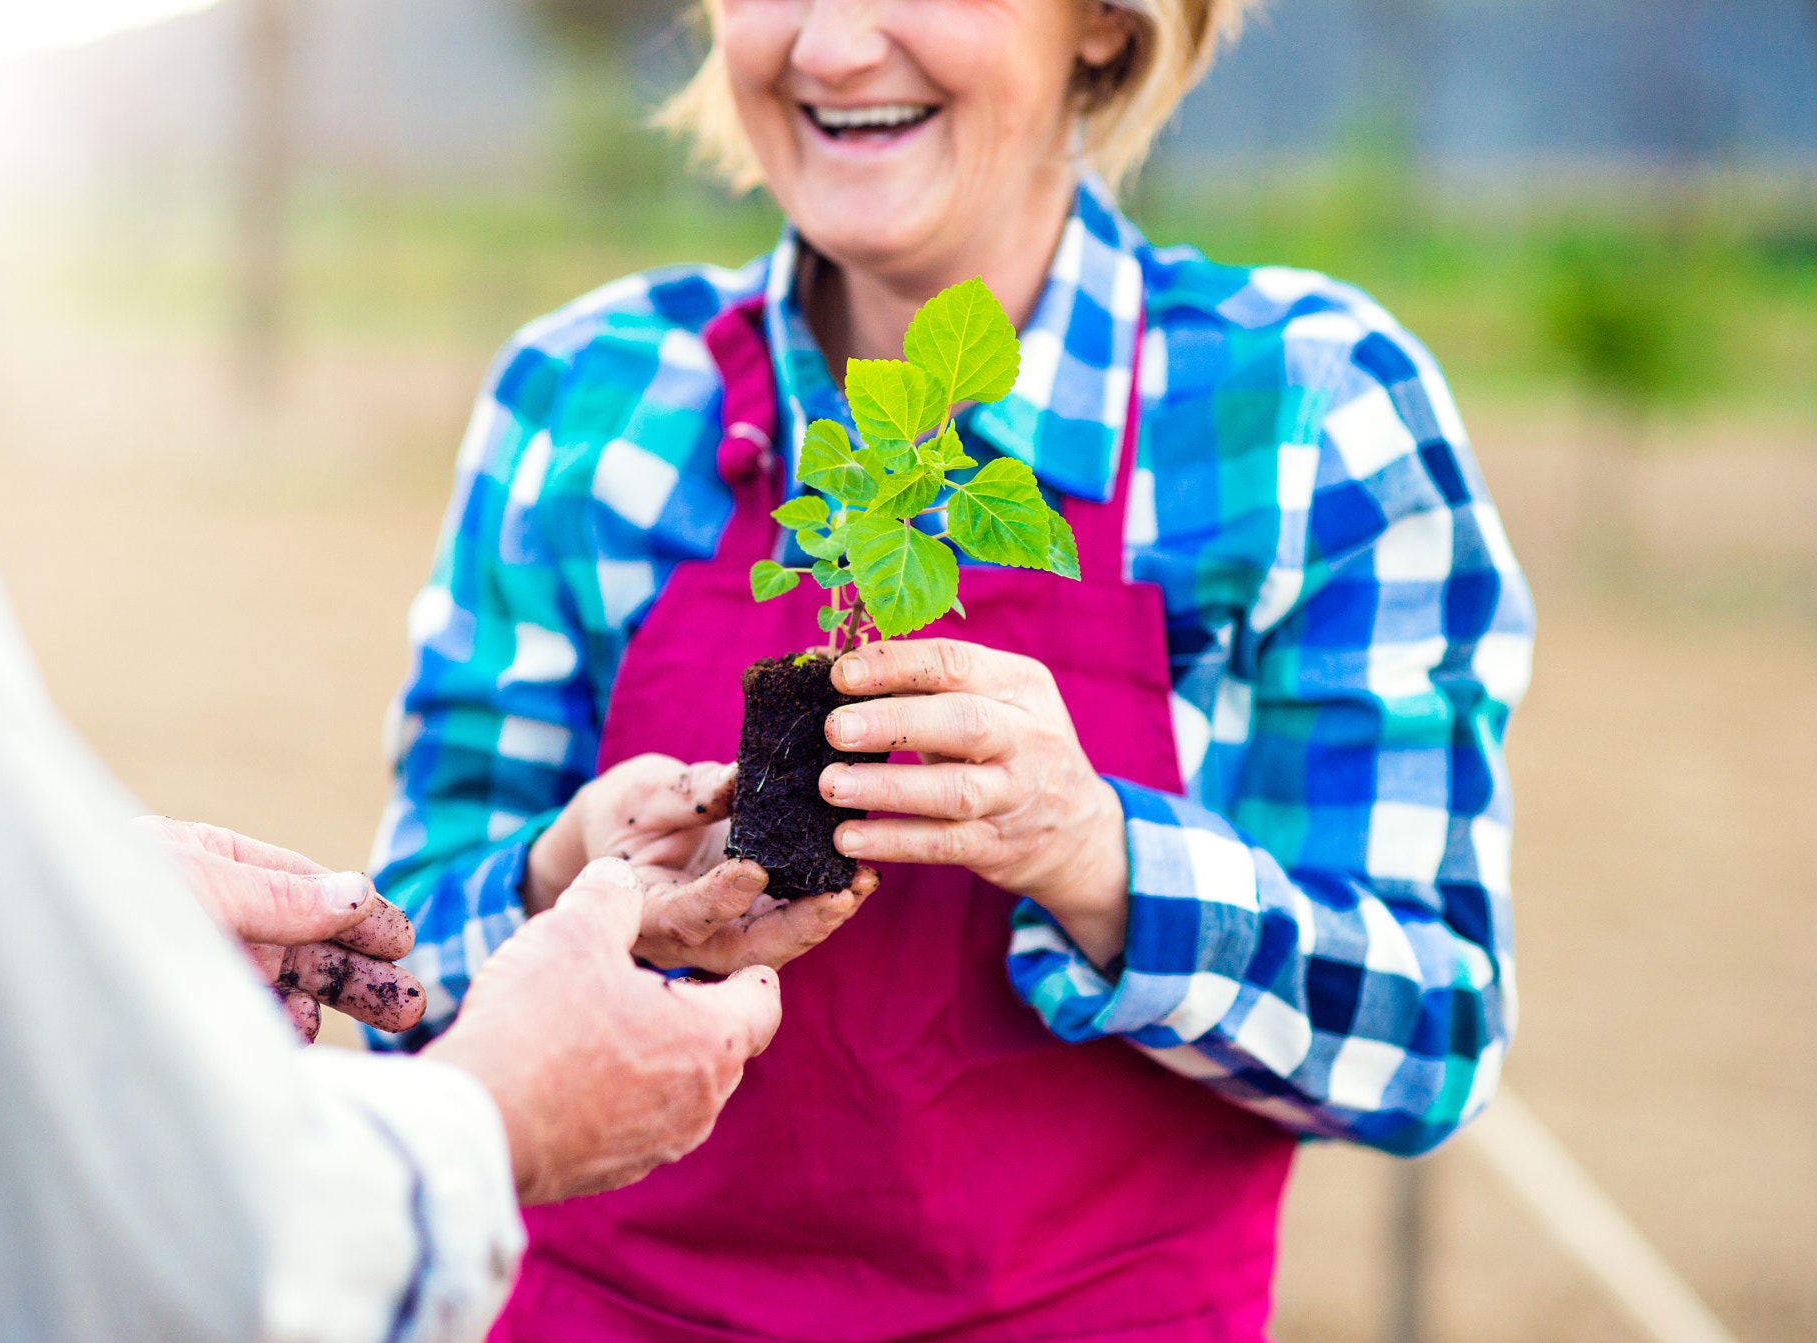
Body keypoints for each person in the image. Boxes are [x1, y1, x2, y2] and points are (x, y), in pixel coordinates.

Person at [371, 0, 1536, 1338]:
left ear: (1106, 25)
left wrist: (1099, 852)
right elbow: (394, 983)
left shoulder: (1313, 415)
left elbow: (1431, 1035)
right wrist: (565, 879)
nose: (834, 46)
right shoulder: (584, 394)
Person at [0, 203, 784, 1342]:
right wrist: (494, 1107)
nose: (837, 42)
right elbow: (107, 1249)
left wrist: (76, 904)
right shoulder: (585, 386)